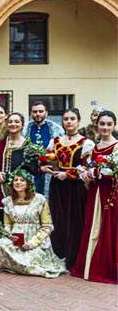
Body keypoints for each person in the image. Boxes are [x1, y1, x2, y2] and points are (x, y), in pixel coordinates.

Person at [40, 108, 94, 269]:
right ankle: (59, 254)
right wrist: (45, 167)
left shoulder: (86, 143)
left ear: (78, 121)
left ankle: (74, 258)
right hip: (57, 185)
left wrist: (67, 174)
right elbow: (45, 159)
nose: (69, 122)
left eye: (72, 119)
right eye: (66, 119)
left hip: (75, 188)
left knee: (75, 221)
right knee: (57, 219)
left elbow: (87, 167)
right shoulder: (55, 141)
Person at [71, 110, 118, 284]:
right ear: (96, 125)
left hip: (110, 193)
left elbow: (113, 171)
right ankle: (89, 265)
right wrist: (83, 173)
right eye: (102, 124)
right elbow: (83, 166)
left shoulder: (117, 147)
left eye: (108, 124)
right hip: (95, 192)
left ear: (113, 125)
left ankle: (105, 267)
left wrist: (95, 172)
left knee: (108, 228)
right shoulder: (93, 147)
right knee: (93, 226)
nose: (105, 127)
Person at [0, 168, 67, 278]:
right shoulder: (8, 201)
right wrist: (8, 235)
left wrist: (33, 242)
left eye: (22, 180)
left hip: (35, 239)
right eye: (16, 180)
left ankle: (20, 265)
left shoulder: (39, 199)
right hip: (17, 240)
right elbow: (8, 224)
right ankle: (19, 265)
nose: (18, 182)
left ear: (28, 184)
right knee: (0, 244)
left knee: (31, 260)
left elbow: (47, 226)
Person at [0, 113, 38, 221]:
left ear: (22, 125)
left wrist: (7, 176)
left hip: (19, 190)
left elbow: (30, 169)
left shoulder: (29, 147)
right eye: (10, 122)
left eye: (17, 121)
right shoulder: (0, 145)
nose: (13, 124)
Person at [23, 101, 65, 196]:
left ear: (46, 113)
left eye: (41, 111)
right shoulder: (24, 129)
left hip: (50, 172)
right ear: (31, 113)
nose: (38, 114)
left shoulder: (57, 129)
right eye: (35, 111)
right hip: (30, 171)